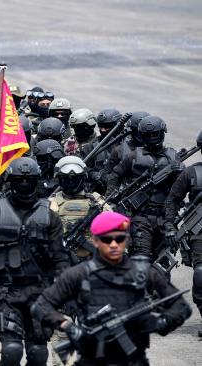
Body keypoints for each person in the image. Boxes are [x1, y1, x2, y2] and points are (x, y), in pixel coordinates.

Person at [32, 211, 192, 366]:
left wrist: (161, 322)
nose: (114, 245)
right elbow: (41, 306)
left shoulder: (143, 273)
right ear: (95, 241)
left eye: (120, 239)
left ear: (128, 240)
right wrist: (68, 326)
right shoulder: (78, 274)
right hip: (92, 359)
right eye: (107, 240)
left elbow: (181, 307)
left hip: (133, 360)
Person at [0, 157, 69, 366]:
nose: (24, 184)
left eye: (29, 180)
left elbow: (60, 258)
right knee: (12, 351)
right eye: (19, 180)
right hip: (8, 291)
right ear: (10, 181)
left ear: (36, 182)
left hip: (41, 292)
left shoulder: (50, 217)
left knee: (37, 353)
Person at [106, 116, 183, 260]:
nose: (152, 137)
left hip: (165, 218)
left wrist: (179, 173)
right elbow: (115, 175)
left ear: (162, 133)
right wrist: (111, 197)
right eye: (148, 135)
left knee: (162, 262)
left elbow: (180, 188)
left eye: (155, 134)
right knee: (141, 258)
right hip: (140, 217)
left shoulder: (173, 157)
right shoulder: (133, 156)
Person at [165, 130, 202, 337]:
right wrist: (170, 226)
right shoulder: (191, 173)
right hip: (198, 231)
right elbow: (172, 200)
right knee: (200, 274)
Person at [49, 156, 111, 262]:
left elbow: (115, 234)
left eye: (74, 179)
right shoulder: (50, 204)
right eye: (65, 178)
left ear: (83, 178)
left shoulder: (97, 202)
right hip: (61, 263)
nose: (70, 182)